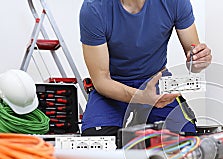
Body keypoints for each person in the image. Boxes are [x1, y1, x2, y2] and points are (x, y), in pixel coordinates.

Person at [79, 0, 212, 137]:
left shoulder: (175, 2)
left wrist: (199, 60)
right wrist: (141, 97)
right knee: (97, 143)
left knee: (184, 142)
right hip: (112, 89)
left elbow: (194, 60)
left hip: (156, 83)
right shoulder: (94, 8)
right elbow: (101, 80)